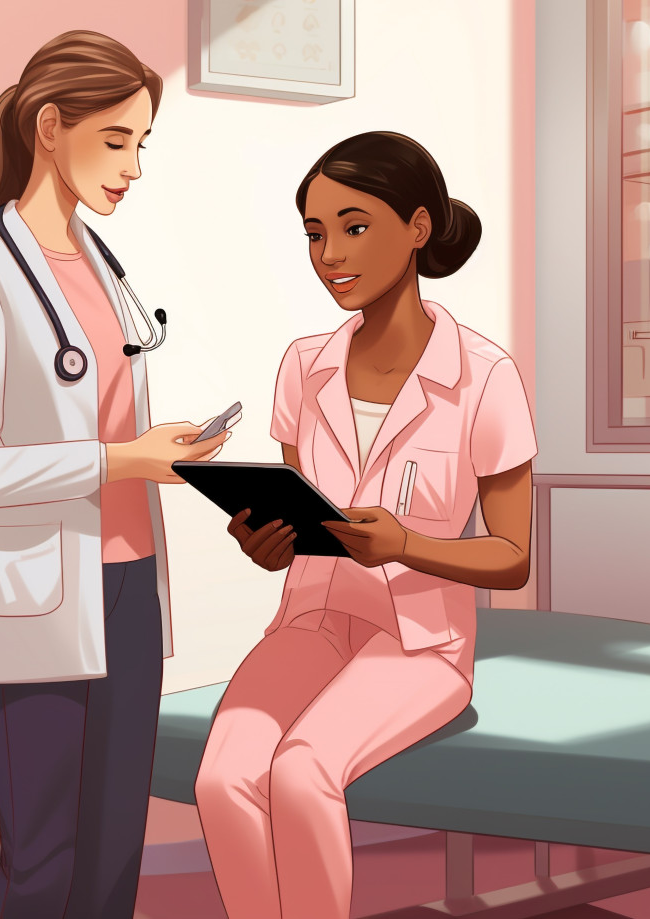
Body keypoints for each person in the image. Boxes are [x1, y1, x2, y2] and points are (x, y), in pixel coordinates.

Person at [194, 131, 536, 919]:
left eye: (353, 226)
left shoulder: (485, 375)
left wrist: (406, 544)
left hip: (418, 642)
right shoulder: (302, 365)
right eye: (314, 232)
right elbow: (296, 513)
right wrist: (264, 543)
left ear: (418, 227)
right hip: (312, 618)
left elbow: (513, 557)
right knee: (223, 775)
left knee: (303, 769)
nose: (328, 253)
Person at [0, 30, 230, 919]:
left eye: (142, 144)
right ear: (49, 126)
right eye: (116, 140)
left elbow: (103, 418)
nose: (133, 166)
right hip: (44, 596)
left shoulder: (103, 267)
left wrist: (156, 447)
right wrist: (124, 458)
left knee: (112, 856)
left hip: (131, 587)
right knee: (42, 863)